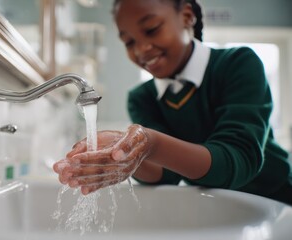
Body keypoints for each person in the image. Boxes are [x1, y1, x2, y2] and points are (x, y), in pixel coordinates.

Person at [53, 0, 292, 205]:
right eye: (129, 42)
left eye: (152, 29)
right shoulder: (142, 97)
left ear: (187, 16)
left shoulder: (238, 64)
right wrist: (123, 154)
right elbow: (164, 173)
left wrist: (150, 144)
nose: (142, 49)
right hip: (215, 208)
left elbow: (237, 160)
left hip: (275, 200)